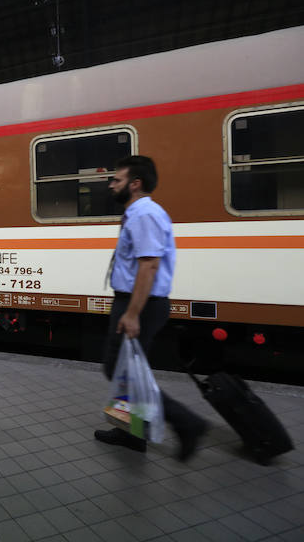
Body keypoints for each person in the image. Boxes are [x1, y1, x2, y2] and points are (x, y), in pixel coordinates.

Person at [95, 156, 208, 461]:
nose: (111, 184)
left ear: (135, 184)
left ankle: (188, 423)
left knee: (120, 369)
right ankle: (131, 433)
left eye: (117, 180)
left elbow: (149, 265)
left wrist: (132, 313)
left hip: (141, 304)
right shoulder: (138, 213)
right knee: (124, 370)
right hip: (135, 301)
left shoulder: (145, 214)